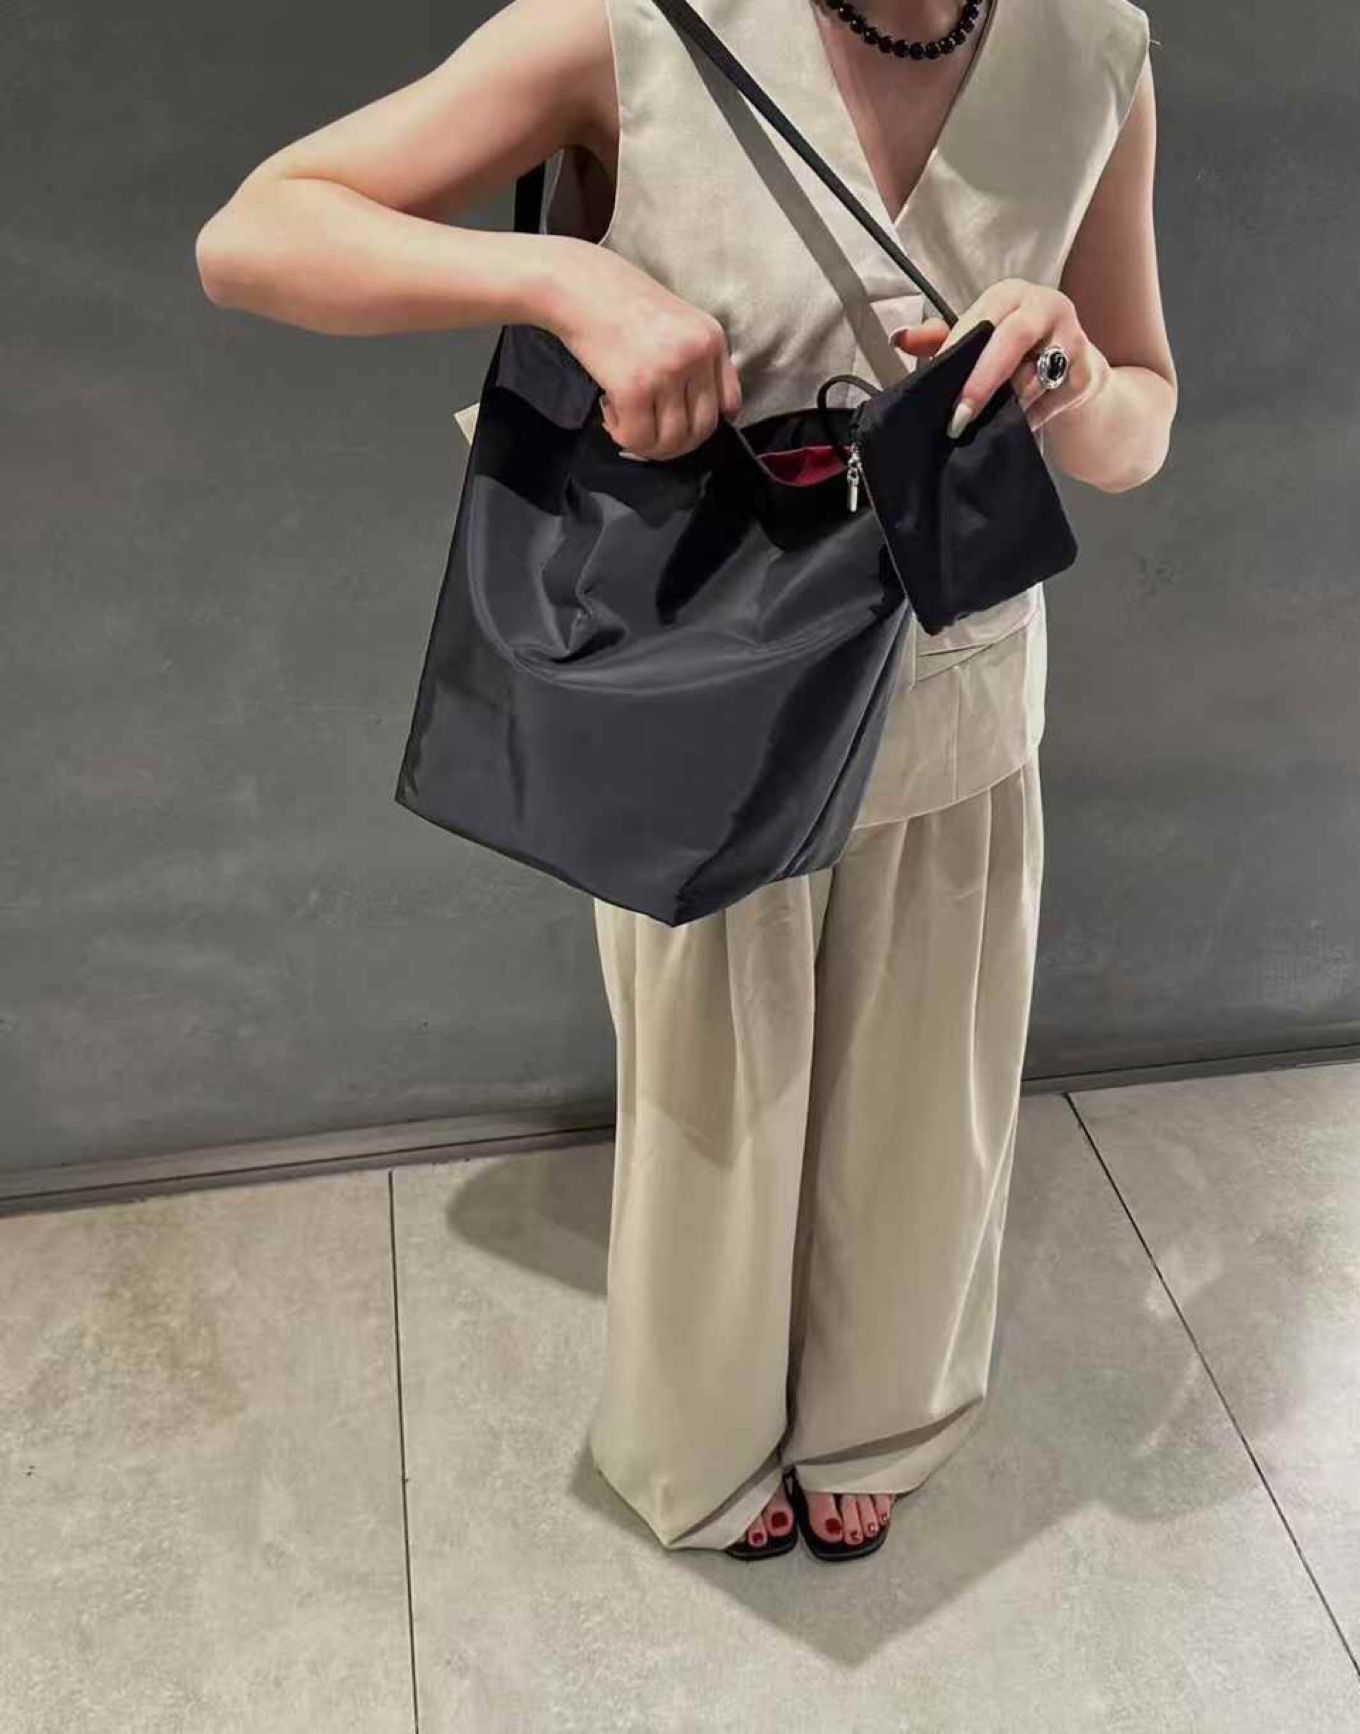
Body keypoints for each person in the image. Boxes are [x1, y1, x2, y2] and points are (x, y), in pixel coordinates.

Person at [196, 0, 1177, 1559]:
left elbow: (1141, 422)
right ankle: (704, 1435)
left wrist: (1069, 377)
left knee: (930, 1094)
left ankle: (884, 1406)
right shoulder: (628, 26)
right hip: (715, 686)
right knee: (716, 1093)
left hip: (957, 665)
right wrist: (564, 277)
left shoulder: (1093, 49)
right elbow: (255, 234)